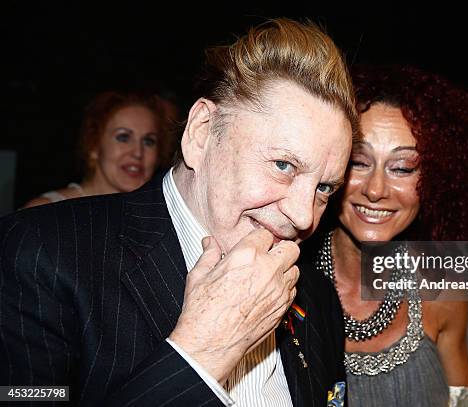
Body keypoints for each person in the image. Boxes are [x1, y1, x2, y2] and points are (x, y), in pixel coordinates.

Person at [0, 18, 358, 406]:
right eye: (283, 165)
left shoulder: (315, 295)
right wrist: (204, 352)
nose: (304, 216)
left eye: (324, 188)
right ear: (202, 133)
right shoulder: (38, 255)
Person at [301, 64, 468, 406]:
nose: (376, 190)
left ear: (435, 181)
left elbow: (465, 399)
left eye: (402, 168)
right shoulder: (287, 279)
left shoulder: (445, 289)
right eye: (359, 162)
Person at [23, 90, 176, 207]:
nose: (138, 152)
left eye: (149, 141)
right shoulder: (46, 212)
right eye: (123, 137)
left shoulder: (157, 221)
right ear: (94, 146)